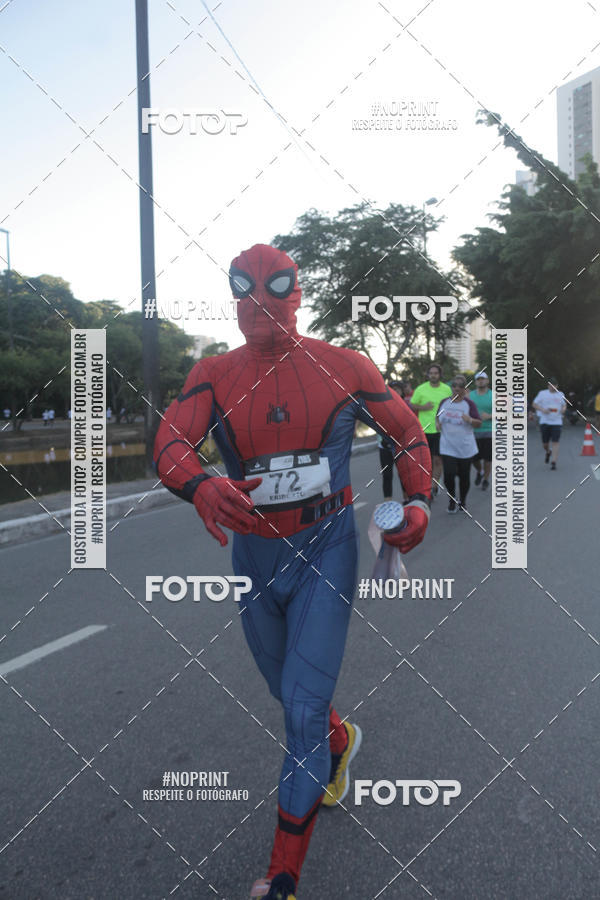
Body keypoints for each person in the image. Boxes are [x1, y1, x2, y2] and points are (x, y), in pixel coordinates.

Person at [154, 243, 432, 900]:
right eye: (244, 289)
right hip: (253, 558)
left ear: (297, 294)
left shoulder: (344, 366)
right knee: (288, 693)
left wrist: (417, 501)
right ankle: (342, 740)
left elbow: (408, 431)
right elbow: (168, 440)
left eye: (276, 287)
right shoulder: (214, 373)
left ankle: (282, 879)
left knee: (300, 711)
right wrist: (196, 484)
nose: (259, 303)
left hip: (327, 547)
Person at [436, 374, 481, 513]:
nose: (456, 388)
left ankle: (463, 500)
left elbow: (478, 423)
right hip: (447, 446)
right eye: (454, 385)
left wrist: (470, 420)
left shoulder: (469, 404)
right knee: (448, 475)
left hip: (465, 447)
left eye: (460, 386)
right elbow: (438, 416)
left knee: (464, 476)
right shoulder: (444, 402)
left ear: (464, 389)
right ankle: (452, 499)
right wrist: (437, 423)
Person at [410, 364, 452, 498]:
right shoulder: (421, 389)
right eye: (431, 373)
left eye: (436, 373)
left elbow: (453, 405)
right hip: (424, 430)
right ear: (428, 375)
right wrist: (423, 407)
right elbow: (411, 404)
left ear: (440, 375)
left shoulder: (447, 389)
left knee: (438, 460)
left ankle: (434, 486)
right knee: (425, 461)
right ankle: (427, 484)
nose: (433, 375)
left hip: (441, 430)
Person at [378, 379, 410, 499]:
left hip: (401, 445)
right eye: (391, 389)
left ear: (402, 391)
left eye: (397, 389)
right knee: (387, 475)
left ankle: (406, 499)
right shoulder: (381, 405)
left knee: (403, 474)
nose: (394, 391)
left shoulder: (406, 406)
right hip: (384, 446)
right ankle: (388, 502)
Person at [533, 377, 566, 470]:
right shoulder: (542, 393)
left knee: (555, 442)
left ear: (557, 386)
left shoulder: (561, 394)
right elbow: (534, 404)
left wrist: (563, 410)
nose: (553, 387)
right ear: (548, 386)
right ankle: (548, 451)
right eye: (551, 385)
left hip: (557, 422)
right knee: (545, 443)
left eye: (554, 385)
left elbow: (564, 405)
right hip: (545, 421)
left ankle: (553, 462)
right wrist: (543, 409)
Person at [470, 371, 493, 490]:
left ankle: (485, 479)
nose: (481, 381)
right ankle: (479, 471)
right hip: (473, 432)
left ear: (487, 381)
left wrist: (490, 416)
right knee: (474, 458)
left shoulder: (494, 395)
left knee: (488, 458)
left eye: (483, 379)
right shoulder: (470, 396)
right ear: (475, 382)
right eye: (478, 379)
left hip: (489, 430)